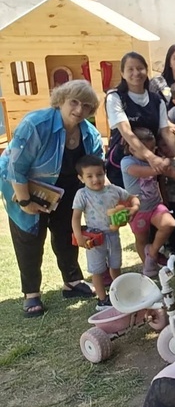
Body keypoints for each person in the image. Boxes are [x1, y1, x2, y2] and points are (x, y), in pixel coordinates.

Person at [0, 80, 104, 317]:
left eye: (86, 106)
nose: (79, 109)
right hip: (23, 187)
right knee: (29, 238)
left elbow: (97, 167)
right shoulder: (36, 124)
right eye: (74, 102)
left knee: (68, 234)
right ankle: (31, 294)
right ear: (61, 100)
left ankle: (72, 282)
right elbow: (16, 166)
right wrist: (26, 202)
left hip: (65, 191)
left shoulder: (90, 133)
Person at [106, 52, 175, 189]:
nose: (136, 73)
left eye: (140, 68)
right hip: (122, 164)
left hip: (150, 166)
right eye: (130, 69)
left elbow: (166, 132)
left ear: (146, 70)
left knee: (150, 202)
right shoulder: (115, 97)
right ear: (123, 73)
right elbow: (126, 131)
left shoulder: (156, 100)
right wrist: (151, 157)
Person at [71, 155, 140, 310]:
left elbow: (133, 198)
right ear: (81, 178)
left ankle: (120, 292)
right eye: (89, 176)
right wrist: (79, 236)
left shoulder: (113, 190)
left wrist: (133, 209)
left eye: (99, 174)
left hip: (113, 236)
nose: (96, 179)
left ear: (105, 173)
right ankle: (102, 300)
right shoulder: (82, 195)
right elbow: (75, 218)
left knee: (115, 266)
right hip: (95, 238)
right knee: (97, 270)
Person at [122, 128, 175, 277]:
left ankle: (152, 252)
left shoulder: (154, 161)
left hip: (154, 206)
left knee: (169, 224)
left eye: (152, 150)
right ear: (132, 148)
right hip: (137, 210)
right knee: (141, 239)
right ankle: (147, 267)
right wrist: (166, 160)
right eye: (146, 151)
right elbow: (152, 172)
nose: (149, 154)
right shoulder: (127, 162)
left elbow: (164, 174)